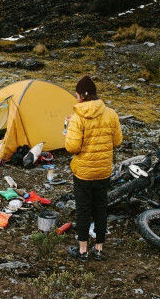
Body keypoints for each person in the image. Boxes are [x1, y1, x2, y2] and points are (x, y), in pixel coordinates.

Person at [65, 75, 122, 261]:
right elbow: (117, 141)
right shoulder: (111, 114)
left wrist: (68, 129)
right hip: (103, 170)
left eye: (76, 95)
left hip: (83, 172)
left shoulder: (77, 118)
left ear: (81, 95)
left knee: (83, 209)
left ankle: (82, 251)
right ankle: (99, 249)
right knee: (100, 208)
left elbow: (72, 147)